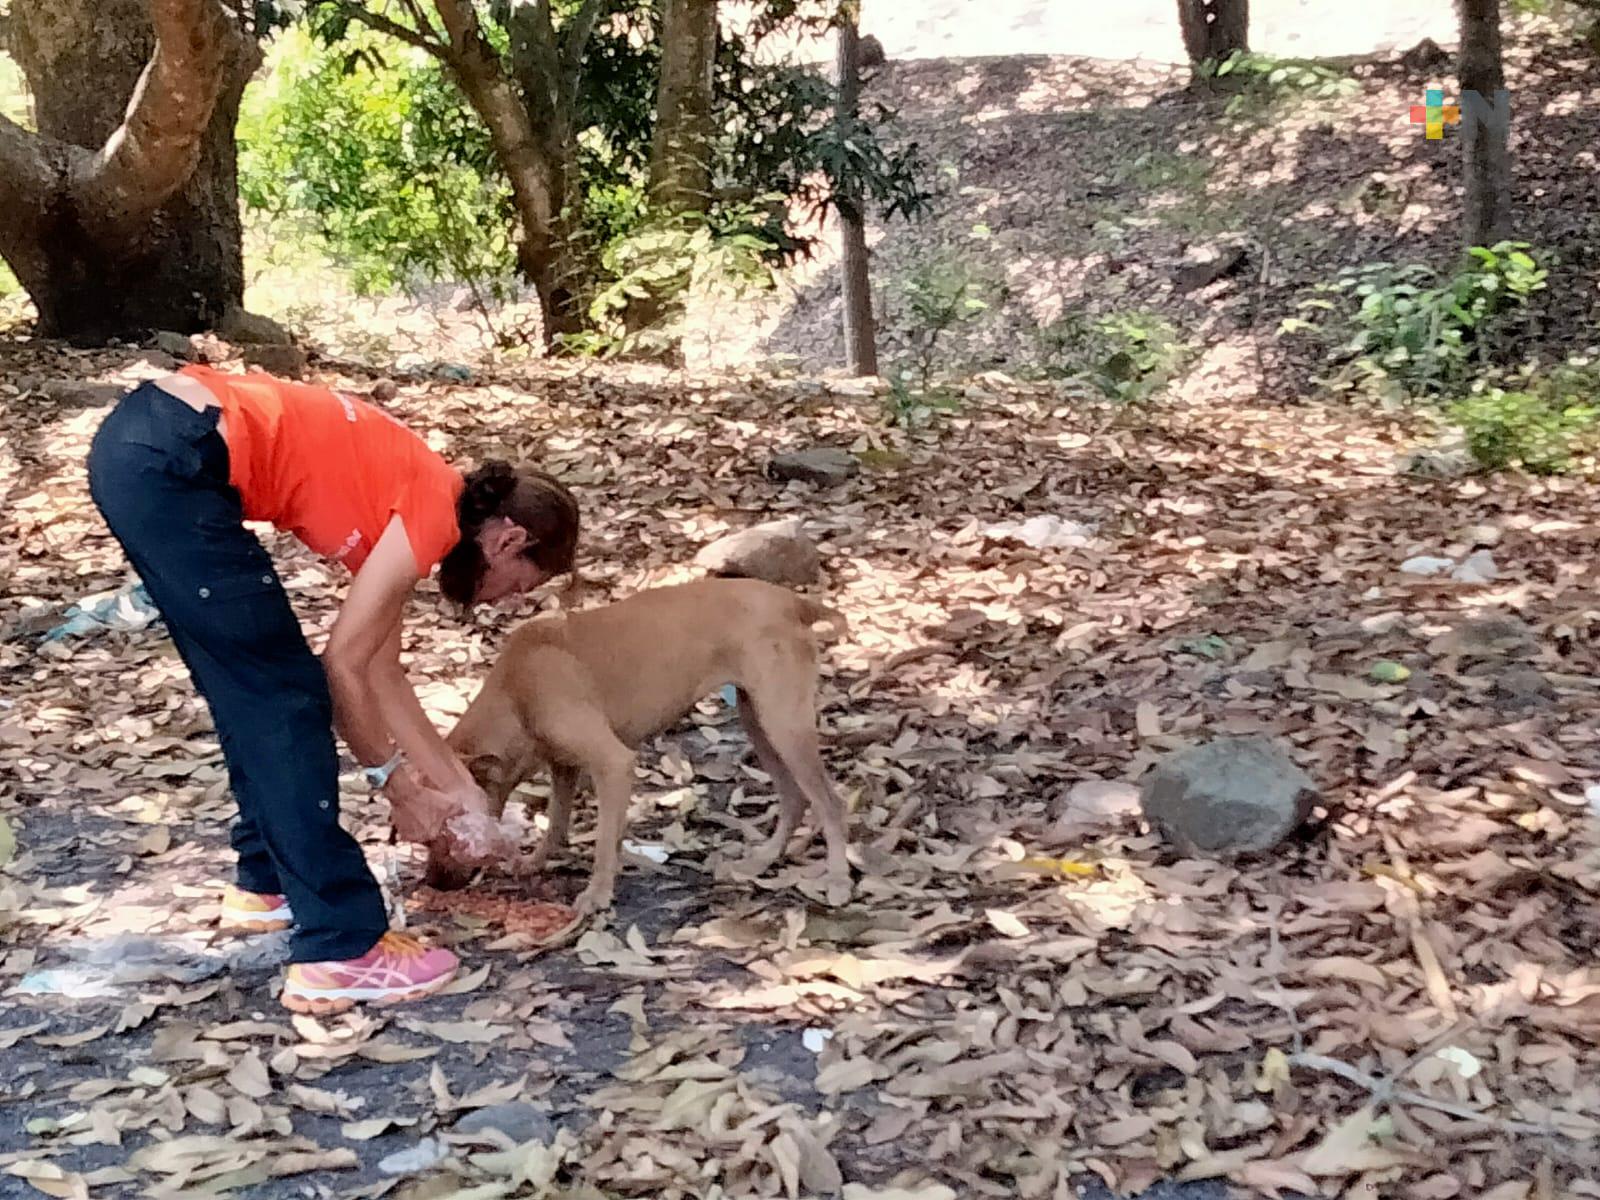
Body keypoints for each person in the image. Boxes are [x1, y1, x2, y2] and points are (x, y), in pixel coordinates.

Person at [86, 364, 579, 1013]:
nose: (501, 601)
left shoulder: (412, 499)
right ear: (510, 539)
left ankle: (266, 885)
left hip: (152, 447)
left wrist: (460, 793)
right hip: (175, 455)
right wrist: (401, 790)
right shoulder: (431, 511)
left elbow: (383, 672)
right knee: (285, 694)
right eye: (518, 583)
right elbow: (342, 669)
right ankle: (340, 948)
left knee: (251, 683)